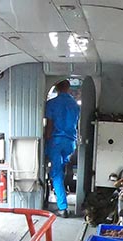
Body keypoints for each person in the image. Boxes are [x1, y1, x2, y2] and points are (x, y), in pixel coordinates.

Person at [44, 80, 80, 217]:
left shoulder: (52, 103)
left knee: (56, 172)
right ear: (68, 88)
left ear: (56, 87)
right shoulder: (75, 105)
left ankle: (62, 207)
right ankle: (60, 191)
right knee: (62, 169)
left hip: (56, 142)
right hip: (70, 143)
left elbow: (49, 126)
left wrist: (46, 140)